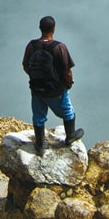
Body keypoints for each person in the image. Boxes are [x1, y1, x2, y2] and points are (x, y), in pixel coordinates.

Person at [22, 15, 84, 155]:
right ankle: (70, 136)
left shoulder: (31, 45)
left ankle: (39, 144)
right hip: (56, 90)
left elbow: (25, 65)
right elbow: (67, 71)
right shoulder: (59, 47)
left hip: (37, 89)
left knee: (38, 116)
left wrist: (36, 78)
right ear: (53, 29)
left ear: (40, 28)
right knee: (68, 112)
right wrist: (68, 84)